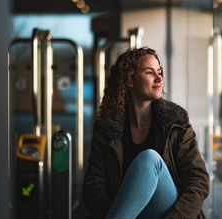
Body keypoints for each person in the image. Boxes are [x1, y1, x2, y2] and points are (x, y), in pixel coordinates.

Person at [83, 47, 209, 219]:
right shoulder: (108, 127)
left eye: (159, 72)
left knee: (150, 159)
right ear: (130, 80)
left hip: (167, 212)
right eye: (150, 73)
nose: (159, 78)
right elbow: (93, 185)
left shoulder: (176, 122)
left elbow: (199, 180)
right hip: (127, 212)